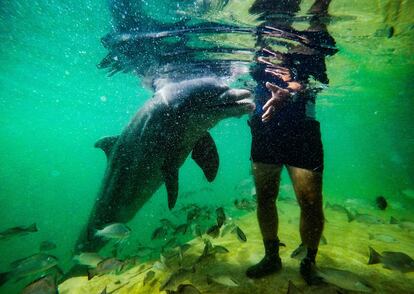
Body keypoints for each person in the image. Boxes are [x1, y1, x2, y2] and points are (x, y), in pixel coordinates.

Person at [245, 0, 337, 285]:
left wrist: (291, 92)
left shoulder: (312, 43)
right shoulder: (257, 45)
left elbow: (320, 85)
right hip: (264, 131)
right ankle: (271, 256)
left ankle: (309, 260)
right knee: (265, 196)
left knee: (310, 202)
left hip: (302, 133)